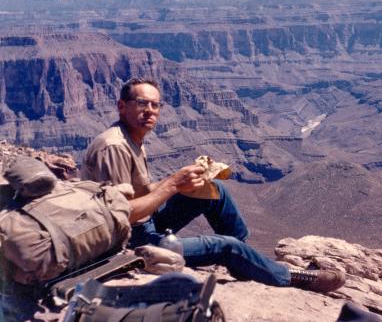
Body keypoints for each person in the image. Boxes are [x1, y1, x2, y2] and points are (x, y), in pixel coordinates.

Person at [81, 77, 345, 292]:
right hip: (127, 243)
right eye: (141, 103)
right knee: (226, 246)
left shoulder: (133, 137)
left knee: (213, 191)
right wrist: (172, 184)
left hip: (144, 223)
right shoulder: (114, 147)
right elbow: (121, 217)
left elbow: (139, 192)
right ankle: (289, 277)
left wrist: (183, 182)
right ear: (121, 106)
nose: (149, 111)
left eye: (155, 105)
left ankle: (245, 261)